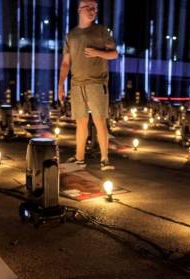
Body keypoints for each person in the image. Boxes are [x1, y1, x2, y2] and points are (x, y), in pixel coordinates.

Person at [58, 0, 119, 171]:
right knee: (81, 122)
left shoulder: (101, 30)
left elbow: (114, 54)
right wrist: (60, 85)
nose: (93, 11)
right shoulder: (71, 35)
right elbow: (65, 63)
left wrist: (98, 53)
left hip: (97, 83)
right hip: (76, 85)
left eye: (95, 9)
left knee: (100, 121)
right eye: (89, 8)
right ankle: (79, 158)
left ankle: (105, 159)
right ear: (79, 10)